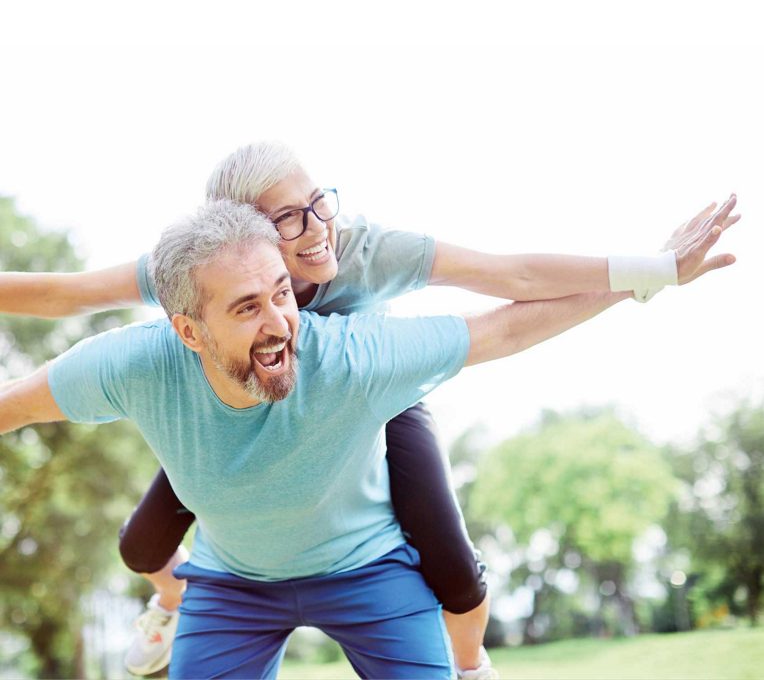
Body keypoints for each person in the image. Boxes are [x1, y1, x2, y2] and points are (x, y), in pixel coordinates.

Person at [0, 141, 739, 677]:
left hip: (363, 407)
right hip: (233, 467)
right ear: (190, 313)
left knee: (449, 559)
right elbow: (62, 301)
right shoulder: (182, 282)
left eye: (317, 204)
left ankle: (471, 663)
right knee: (144, 540)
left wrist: (651, 274)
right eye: (287, 220)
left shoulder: (367, 270)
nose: (316, 228)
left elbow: (507, 290)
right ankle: (170, 602)